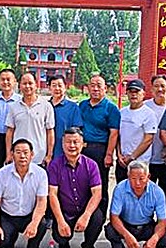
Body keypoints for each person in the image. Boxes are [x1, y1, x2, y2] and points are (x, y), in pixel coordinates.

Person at [48, 127, 103, 248]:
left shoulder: (91, 165)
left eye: (76, 142)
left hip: (84, 209)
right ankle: (64, 242)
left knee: (97, 217)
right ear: (62, 144)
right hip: (65, 211)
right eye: (68, 142)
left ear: (83, 144)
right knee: (60, 237)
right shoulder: (54, 165)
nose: (72, 145)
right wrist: (60, 221)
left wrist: (86, 215)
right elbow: (52, 194)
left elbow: (97, 193)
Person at [0, 139, 48, 248]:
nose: (22, 156)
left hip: (28, 215)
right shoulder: (2, 173)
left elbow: (42, 201)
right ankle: (10, 241)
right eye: (18, 152)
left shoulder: (41, 173)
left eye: (26, 152)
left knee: (42, 224)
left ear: (32, 155)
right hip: (8, 216)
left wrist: (34, 223)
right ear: (12, 154)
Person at [105, 160, 166, 248]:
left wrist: (154, 239)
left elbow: (162, 221)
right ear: (128, 176)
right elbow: (114, 217)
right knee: (110, 230)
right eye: (133, 179)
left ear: (148, 177)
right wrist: (127, 235)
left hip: (146, 225)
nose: (137, 183)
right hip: (126, 224)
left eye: (141, 178)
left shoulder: (157, 192)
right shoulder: (120, 188)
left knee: (165, 237)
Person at [78, 74, 120, 216]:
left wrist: (109, 154)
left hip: (100, 150)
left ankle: (100, 215)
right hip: (82, 149)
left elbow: (114, 133)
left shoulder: (111, 108)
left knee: (100, 183)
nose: (95, 89)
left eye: (99, 86)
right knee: (83, 182)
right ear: (88, 88)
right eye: (92, 85)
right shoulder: (83, 105)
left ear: (105, 88)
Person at [5, 72, 55, 168]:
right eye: (24, 83)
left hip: (39, 156)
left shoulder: (46, 106)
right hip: (19, 156)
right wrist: (8, 153)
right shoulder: (13, 107)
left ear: (36, 85)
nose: (27, 86)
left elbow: (50, 131)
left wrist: (49, 155)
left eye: (30, 83)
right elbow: (10, 131)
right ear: (20, 86)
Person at [116, 79, 158, 182]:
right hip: (122, 162)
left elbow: (148, 139)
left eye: (137, 91)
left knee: (138, 188)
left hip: (140, 162)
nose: (133, 94)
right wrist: (119, 154)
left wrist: (132, 157)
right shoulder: (122, 112)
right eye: (130, 91)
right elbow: (118, 136)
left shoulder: (149, 114)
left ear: (143, 94)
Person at [144, 75, 166, 195]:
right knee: (147, 193)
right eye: (156, 86)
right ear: (151, 89)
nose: (160, 89)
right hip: (148, 159)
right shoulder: (145, 106)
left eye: (163, 86)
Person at [0, 69, 21, 186]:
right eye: (3, 79)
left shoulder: (20, 100)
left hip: (15, 139)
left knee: (14, 171)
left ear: (14, 81)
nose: (5, 82)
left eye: (8, 79)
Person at [47, 74, 83, 159]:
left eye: (60, 85)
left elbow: (76, 131)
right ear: (49, 88)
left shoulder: (73, 107)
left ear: (65, 87)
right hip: (45, 151)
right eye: (54, 85)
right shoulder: (45, 106)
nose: (57, 88)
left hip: (64, 151)